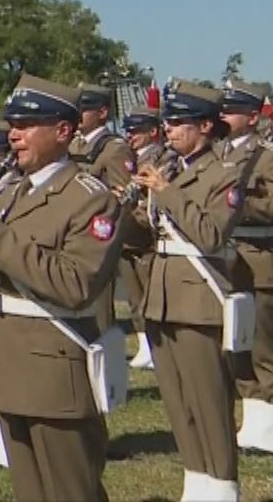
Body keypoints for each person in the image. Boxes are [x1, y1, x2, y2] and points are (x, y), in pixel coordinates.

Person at [0, 75, 123, 502]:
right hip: (11, 366)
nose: (13, 133)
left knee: (72, 490)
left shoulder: (89, 198)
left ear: (63, 132)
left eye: (28, 124)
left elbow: (75, 285)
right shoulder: (9, 192)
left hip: (56, 372)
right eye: (12, 123)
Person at [131, 81, 244, 502]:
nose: (169, 130)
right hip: (161, 297)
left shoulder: (225, 175)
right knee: (179, 401)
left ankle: (223, 483)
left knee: (209, 401)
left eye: (178, 122)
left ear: (207, 125)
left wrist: (166, 192)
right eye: (168, 122)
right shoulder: (174, 169)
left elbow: (211, 234)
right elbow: (152, 233)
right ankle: (197, 479)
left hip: (199, 299)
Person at [216, 80, 273, 455]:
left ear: (253, 117)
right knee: (237, 344)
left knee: (265, 344)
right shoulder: (218, 152)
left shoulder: (269, 156)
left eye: (231, 109)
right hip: (228, 261)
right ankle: (253, 419)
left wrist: (245, 208)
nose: (223, 115)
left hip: (260, 258)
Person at [119, 107, 168, 370]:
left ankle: (156, 345)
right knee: (135, 296)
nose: (131, 135)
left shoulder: (161, 157)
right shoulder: (134, 157)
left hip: (145, 234)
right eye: (129, 130)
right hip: (129, 232)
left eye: (137, 131)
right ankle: (145, 344)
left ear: (153, 132)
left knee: (150, 294)